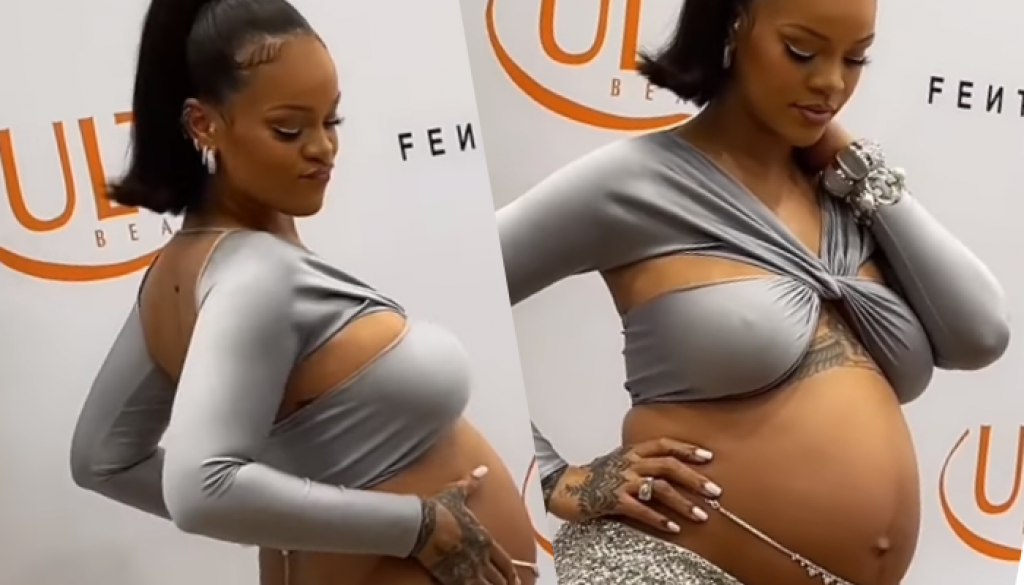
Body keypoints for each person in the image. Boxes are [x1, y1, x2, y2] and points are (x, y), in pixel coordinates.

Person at [498, 0, 1009, 584]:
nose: (831, 82)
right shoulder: (634, 181)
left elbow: (981, 334)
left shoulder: (848, 197)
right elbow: (456, 292)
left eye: (856, 58)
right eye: (801, 51)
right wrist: (555, 478)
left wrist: (857, 166)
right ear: (732, 24)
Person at [67, 0, 539, 584]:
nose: (323, 148)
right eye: (288, 129)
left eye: (331, 121)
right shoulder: (256, 279)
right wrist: (413, 526)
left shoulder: (181, 273)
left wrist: (291, 516)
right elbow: (198, 490)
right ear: (203, 124)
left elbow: (100, 459)